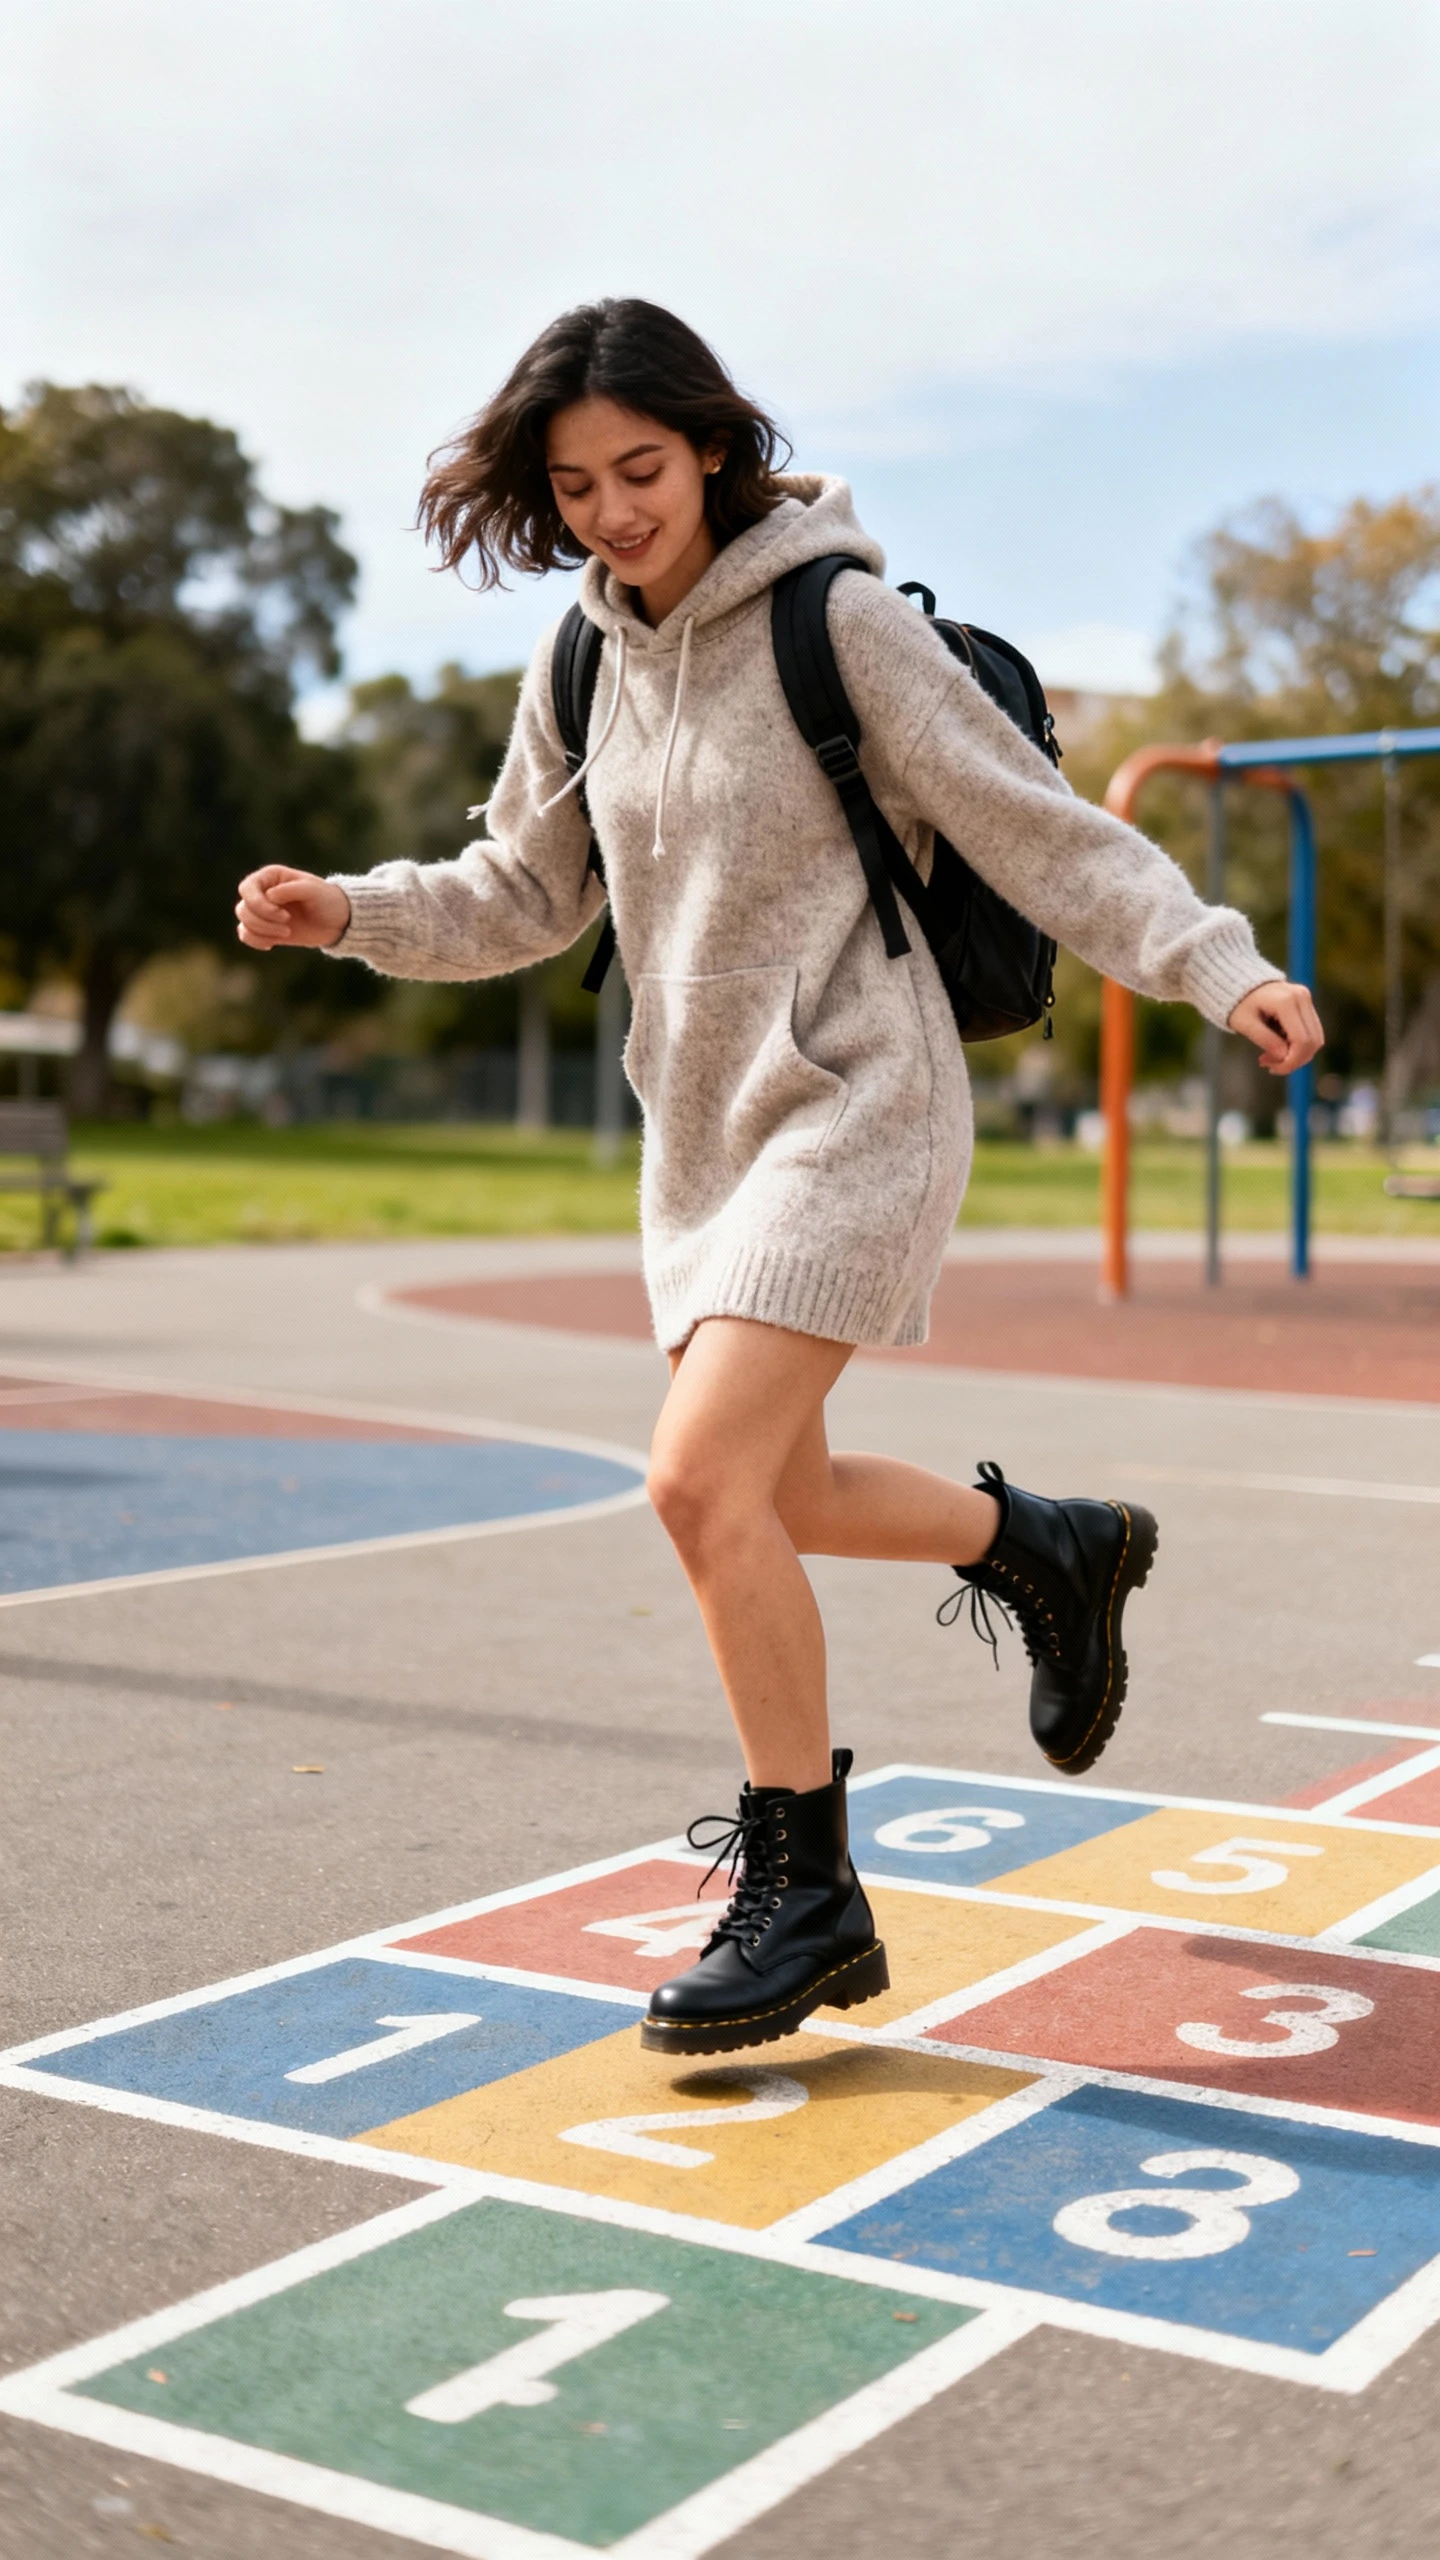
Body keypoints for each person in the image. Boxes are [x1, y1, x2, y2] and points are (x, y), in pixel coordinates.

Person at [236, 297, 1324, 2063]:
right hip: (705, 1137)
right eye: (576, 485)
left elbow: (1043, 829)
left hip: (864, 1104)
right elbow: (522, 894)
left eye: (640, 470)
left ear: (718, 447)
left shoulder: (844, 623)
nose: (609, 512)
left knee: (694, 1487)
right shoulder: (582, 659)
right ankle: (1046, 1545)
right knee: (780, 1495)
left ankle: (808, 1896)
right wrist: (348, 912)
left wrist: (1220, 964)